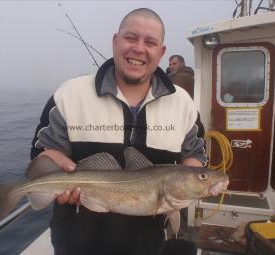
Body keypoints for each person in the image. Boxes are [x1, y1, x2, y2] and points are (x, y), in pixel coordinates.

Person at [31, 8, 207, 255]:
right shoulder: (69, 94)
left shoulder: (183, 104)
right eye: (131, 38)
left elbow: (196, 155)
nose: (139, 48)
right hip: (76, 244)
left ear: (161, 51)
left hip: (147, 244)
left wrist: (193, 182)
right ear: (115, 41)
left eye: (150, 42)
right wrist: (58, 166)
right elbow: (41, 153)